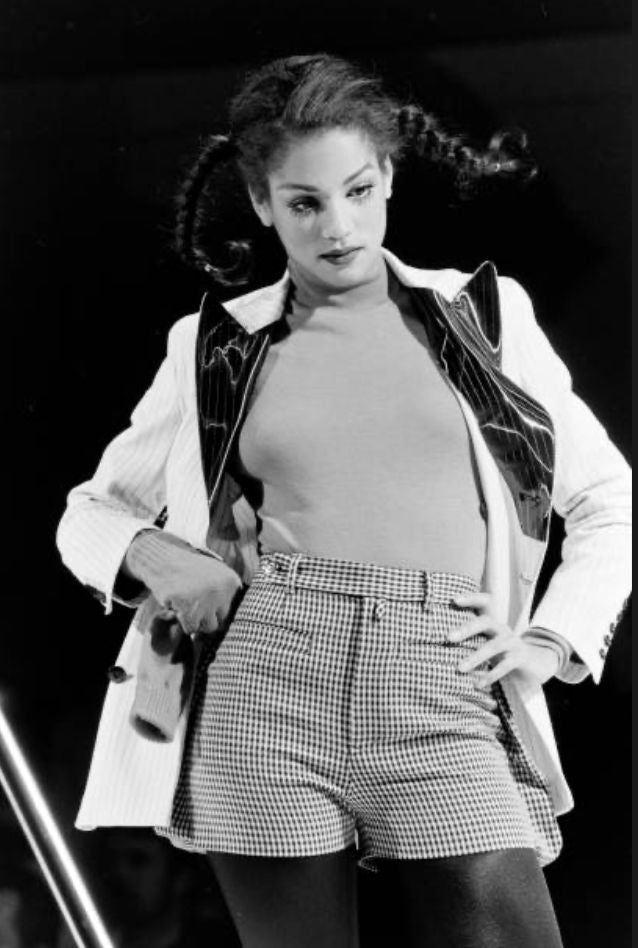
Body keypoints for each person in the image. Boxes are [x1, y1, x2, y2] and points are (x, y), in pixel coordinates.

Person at [56, 54, 631, 947]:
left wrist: (553, 640)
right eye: (305, 203)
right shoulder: (213, 345)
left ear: (389, 175)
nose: (339, 225)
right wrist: (155, 556)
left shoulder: (485, 316)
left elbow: (608, 499)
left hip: (444, 674)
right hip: (265, 677)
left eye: (359, 191)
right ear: (261, 203)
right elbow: (94, 509)